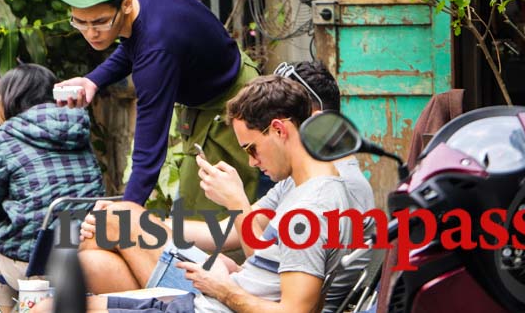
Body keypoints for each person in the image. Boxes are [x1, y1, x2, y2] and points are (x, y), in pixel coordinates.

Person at [72, 75, 362, 313]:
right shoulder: (304, 186)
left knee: (110, 226)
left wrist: (223, 288)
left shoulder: (311, 207)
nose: (251, 162)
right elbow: (268, 261)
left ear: (278, 130)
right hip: (208, 298)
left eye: (251, 148)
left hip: (212, 302)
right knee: (89, 265)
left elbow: (296, 310)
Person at [54, 0, 259, 212]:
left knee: (205, 217)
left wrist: (127, 213)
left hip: (231, 102)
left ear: (126, 4)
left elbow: (148, 151)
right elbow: (134, 45)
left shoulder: (156, 52)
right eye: (80, 22)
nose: (90, 33)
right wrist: (93, 80)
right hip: (210, 84)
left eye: (100, 22)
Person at [0, 64, 105, 312]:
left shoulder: (0, 139)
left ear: (11, 98)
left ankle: (3, 308)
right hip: (86, 256)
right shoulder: (78, 130)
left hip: (33, 268)